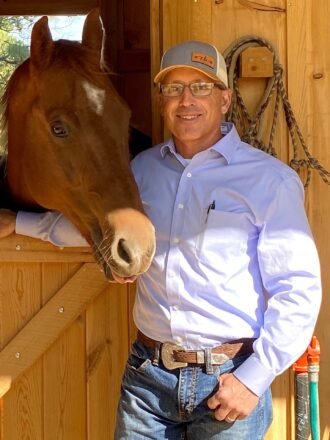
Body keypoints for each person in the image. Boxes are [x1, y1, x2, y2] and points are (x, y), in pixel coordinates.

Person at [0, 40, 322, 439]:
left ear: (224, 99)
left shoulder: (269, 181)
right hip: (148, 379)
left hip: (229, 376)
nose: (186, 100)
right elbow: (100, 217)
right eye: (174, 89)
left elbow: (298, 291)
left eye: (200, 87)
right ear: (162, 101)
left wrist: (255, 378)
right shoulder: (143, 169)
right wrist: (20, 223)